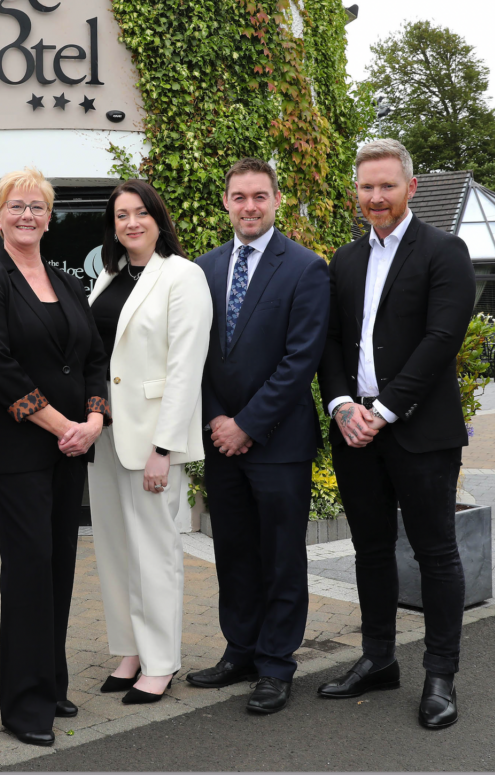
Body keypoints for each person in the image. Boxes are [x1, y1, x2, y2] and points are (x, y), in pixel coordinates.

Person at [316, 139, 475, 729]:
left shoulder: (445, 251)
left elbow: (442, 339)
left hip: (418, 433)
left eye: (386, 185)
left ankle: (440, 675)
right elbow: (330, 341)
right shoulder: (344, 260)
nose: (375, 197)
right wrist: (339, 405)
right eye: (366, 187)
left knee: (436, 554)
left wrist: (383, 410)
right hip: (354, 429)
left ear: (410, 187)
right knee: (371, 551)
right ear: (356, 192)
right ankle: (379, 658)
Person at [0, 167, 110, 747]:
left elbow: (95, 355)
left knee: (60, 569)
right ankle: (23, 705)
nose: (27, 215)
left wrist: (93, 421)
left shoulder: (68, 282)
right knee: (27, 572)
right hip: (21, 450)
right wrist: (61, 424)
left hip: (71, 449)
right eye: (16, 206)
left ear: (50, 218)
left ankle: (49, 682)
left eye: (38, 207)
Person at [188, 157, 330, 714]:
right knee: (235, 553)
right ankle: (240, 651)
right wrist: (219, 420)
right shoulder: (203, 269)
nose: (249, 206)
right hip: (221, 441)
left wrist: (246, 424)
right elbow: (195, 357)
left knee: (280, 557)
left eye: (259, 196)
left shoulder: (304, 268)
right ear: (226, 202)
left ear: (276, 200)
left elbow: (301, 361)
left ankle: (276, 663)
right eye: (239, 196)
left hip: (279, 444)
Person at [86, 180, 212, 705]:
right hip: (107, 435)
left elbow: (185, 370)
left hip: (151, 442)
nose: (131, 222)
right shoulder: (108, 275)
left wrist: (164, 447)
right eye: (121, 215)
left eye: (140, 213)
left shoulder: (183, 276)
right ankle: (130, 651)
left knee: (155, 554)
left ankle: (161, 662)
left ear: (158, 218)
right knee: (115, 551)